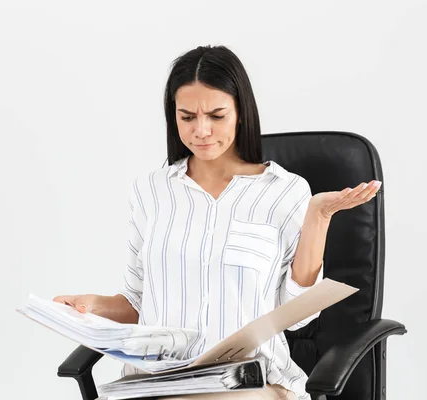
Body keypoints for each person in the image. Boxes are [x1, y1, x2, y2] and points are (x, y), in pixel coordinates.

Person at [54, 45, 381, 400]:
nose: (201, 130)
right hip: (154, 382)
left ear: (241, 112)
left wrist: (318, 216)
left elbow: (296, 315)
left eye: (216, 115)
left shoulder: (285, 192)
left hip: (248, 382)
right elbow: (137, 303)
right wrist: (92, 305)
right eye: (188, 117)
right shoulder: (151, 191)